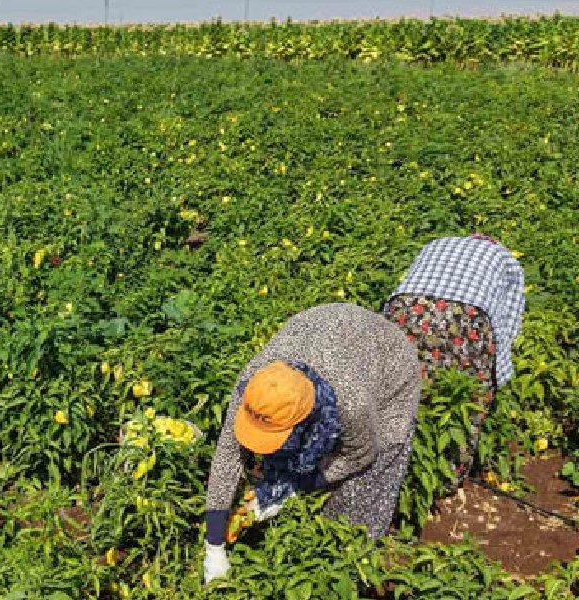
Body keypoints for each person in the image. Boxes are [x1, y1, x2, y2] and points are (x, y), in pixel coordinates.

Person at [202, 303, 421, 584]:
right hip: (323, 330)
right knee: (282, 461)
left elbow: (360, 456)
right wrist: (214, 545)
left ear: (305, 418)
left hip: (388, 366)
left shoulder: (350, 402)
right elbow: (228, 456)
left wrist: (299, 486)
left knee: (360, 495)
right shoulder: (255, 385)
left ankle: (348, 573)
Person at [382, 234, 525, 491]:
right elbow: (508, 321)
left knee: (396, 385)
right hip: (466, 318)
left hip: (407, 307)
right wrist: (500, 370)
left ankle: (383, 467)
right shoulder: (507, 261)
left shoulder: (436, 243)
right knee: (469, 398)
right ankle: (445, 479)